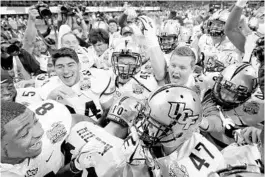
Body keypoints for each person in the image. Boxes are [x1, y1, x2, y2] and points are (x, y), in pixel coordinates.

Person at [132, 84, 226, 177]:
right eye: (147, 119)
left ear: (180, 132)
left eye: (156, 124)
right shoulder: (145, 133)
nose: (147, 127)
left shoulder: (203, 168)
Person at [0, 100, 95, 177]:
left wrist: (75, 165)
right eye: (24, 134)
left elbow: (80, 120)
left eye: (36, 121)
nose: (40, 133)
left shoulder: (51, 121)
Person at [39, 47, 114, 122]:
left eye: (70, 65)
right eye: (60, 67)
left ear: (79, 66)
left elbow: (110, 112)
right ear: (55, 69)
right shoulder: (48, 87)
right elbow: (45, 122)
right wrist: (50, 100)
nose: (66, 71)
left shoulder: (98, 78)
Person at [200, 63, 264, 150]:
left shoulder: (256, 109)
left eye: (231, 95)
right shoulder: (208, 89)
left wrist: (261, 132)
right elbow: (214, 118)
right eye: (222, 90)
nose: (223, 97)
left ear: (246, 97)